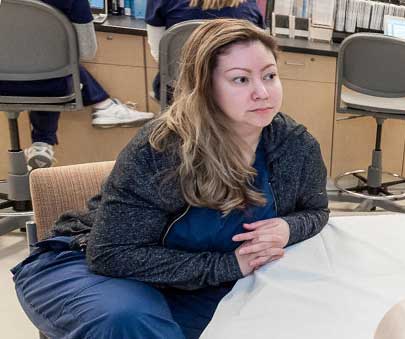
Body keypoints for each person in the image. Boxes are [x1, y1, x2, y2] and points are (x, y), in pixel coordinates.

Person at [10, 19, 329, 339]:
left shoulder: (295, 145)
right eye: (241, 79)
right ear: (205, 87)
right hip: (98, 266)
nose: (262, 92)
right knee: (129, 321)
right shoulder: (162, 148)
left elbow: (316, 211)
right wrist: (228, 266)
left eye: (270, 76)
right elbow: (110, 254)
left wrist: (289, 227)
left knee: (276, 319)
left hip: (192, 280)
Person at [0, 0, 156, 169]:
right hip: (51, 86)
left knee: (37, 62)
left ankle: (43, 143)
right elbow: (87, 51)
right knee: (53, 66)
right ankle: (44, 143)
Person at [146, 0, 264, 104]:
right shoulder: (249, 5)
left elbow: (161, 55)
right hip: (232, 93)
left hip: (177, 92)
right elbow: (259, 55)